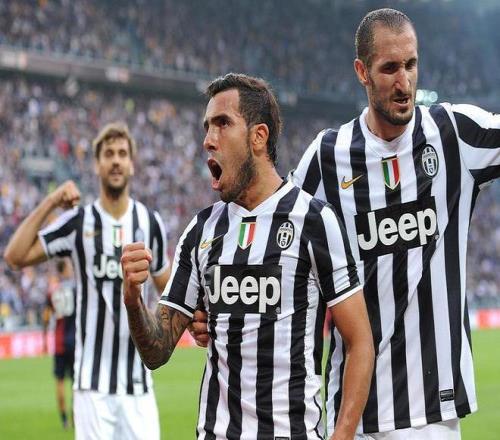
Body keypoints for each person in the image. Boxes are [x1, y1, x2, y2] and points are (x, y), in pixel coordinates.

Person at [121, 73, 374, 440]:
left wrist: (343, 435)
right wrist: (133, 299)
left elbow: (360, 341)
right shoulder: (202, 229)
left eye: (223, 123)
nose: (209, 139)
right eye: (207, 127)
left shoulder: (314, 221)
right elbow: (156, 350)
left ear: (259, 137)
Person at [291, 8, 500, 440]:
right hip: (355, 413)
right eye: (389, 68)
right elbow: (279, 238)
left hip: (433, 412)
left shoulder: (453, 133)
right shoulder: (328, 156)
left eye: (411, 64)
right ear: (362, 72)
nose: (404, 82)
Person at [4, 122, 171, 440]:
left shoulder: (150, 223)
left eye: (122, 153)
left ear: (132, 164)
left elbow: (170, 288)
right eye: (108, 154)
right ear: (97, 164)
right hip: (91, 387)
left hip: (138, 383)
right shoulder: (78, 223)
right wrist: (52, 201)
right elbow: (14, 256)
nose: (116, 160)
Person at [42, 258, 77, 430]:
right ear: (65, 269)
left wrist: (44, 339)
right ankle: (76, 417)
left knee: (60, 381)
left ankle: (64, 420)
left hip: (59, 341)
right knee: (76, 382)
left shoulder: (52, 291)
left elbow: (46, 316)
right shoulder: (76, 288)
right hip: (75, 340)